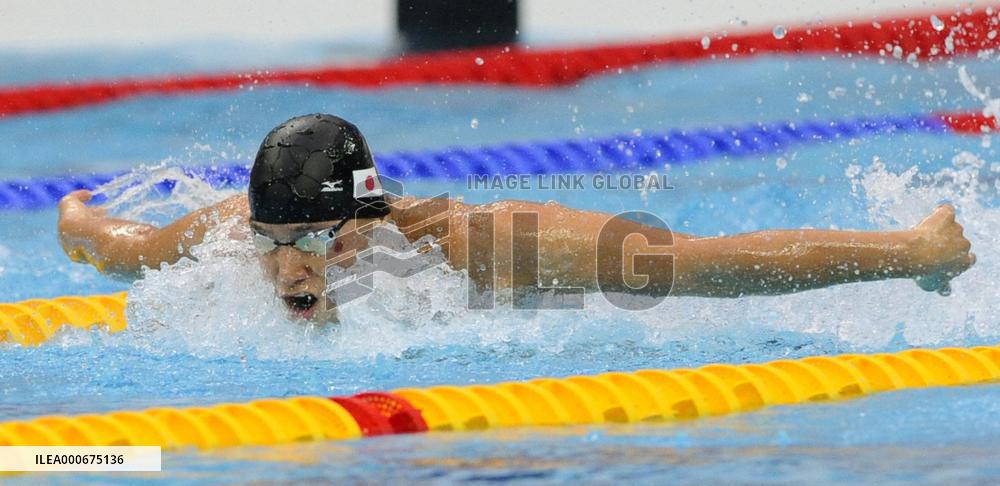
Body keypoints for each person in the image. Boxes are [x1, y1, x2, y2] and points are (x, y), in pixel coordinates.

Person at [57, 114, 976, 323]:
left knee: (681, 264)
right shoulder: (240, 226)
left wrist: (913, 250)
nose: (290, 266)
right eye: (276, 244)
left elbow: (716, 262)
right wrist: (77, 217)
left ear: (366, 221)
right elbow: (119, 248)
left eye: (315, 242)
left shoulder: (479, 246)